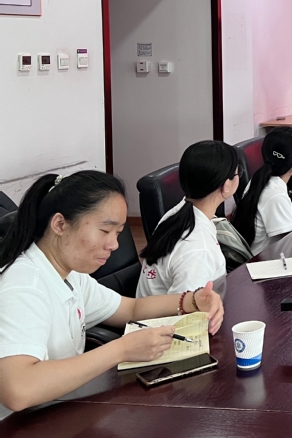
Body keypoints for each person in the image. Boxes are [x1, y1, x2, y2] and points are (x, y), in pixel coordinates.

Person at [0, 171, 225, 413]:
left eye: (118, 233)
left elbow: (131, 309)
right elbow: (18, 390)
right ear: (60, 224)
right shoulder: (24, 285)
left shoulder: (70, 274)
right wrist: (121, 350)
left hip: (61, 407)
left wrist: (192, 300)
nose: (114, 245)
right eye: (105, 231)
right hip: (21, 423)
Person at [137, 141, 237, 297]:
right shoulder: (197, 250)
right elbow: (184, 309)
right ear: (226, 185)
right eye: (238, 173)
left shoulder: (177, 212)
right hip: (176, 313)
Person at [230, 127, 292, 256]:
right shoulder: (276, 194)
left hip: (254, 255)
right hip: (264, 261)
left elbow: (278, 214)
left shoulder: (260, 179)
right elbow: (290, 245)